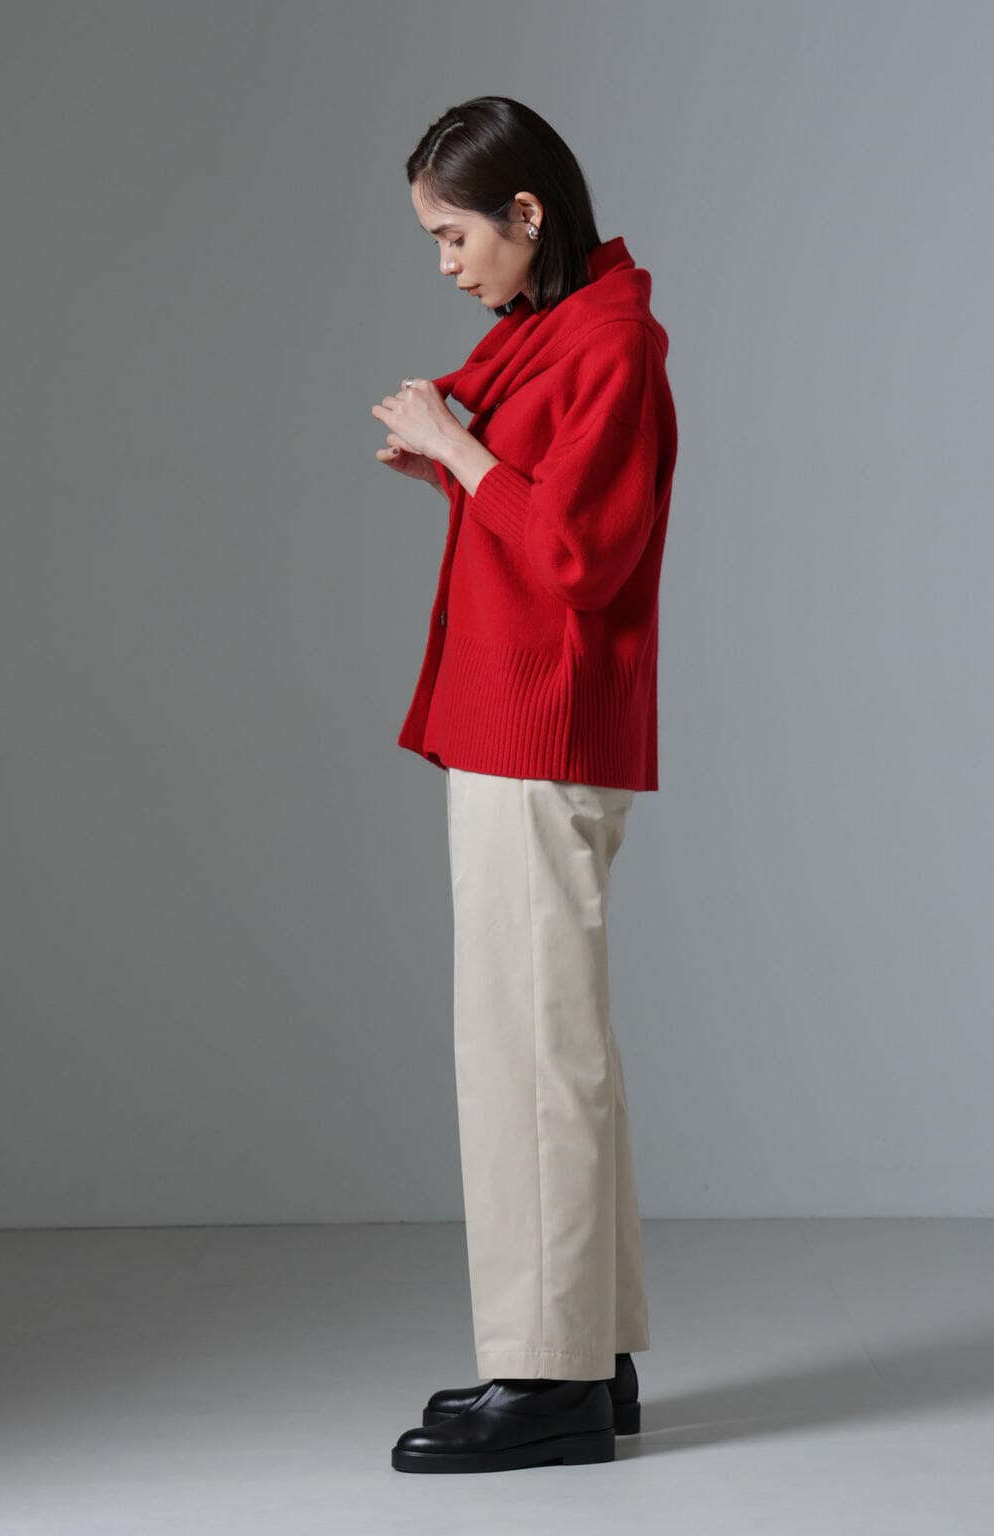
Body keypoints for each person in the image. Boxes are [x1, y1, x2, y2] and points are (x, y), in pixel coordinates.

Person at [371, 96, 678, 1475]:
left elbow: (578, 560)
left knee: (528, 1052)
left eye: (454, 234)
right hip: (523, 728)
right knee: (554, 1045)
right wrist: (455, 460)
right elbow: (538, 498)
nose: (446, 263)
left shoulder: (608, 341)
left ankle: (549, 1380)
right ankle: (588, 1353)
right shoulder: (562, 330)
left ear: (527, 212)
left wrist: (458, 452)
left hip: (538, 735)